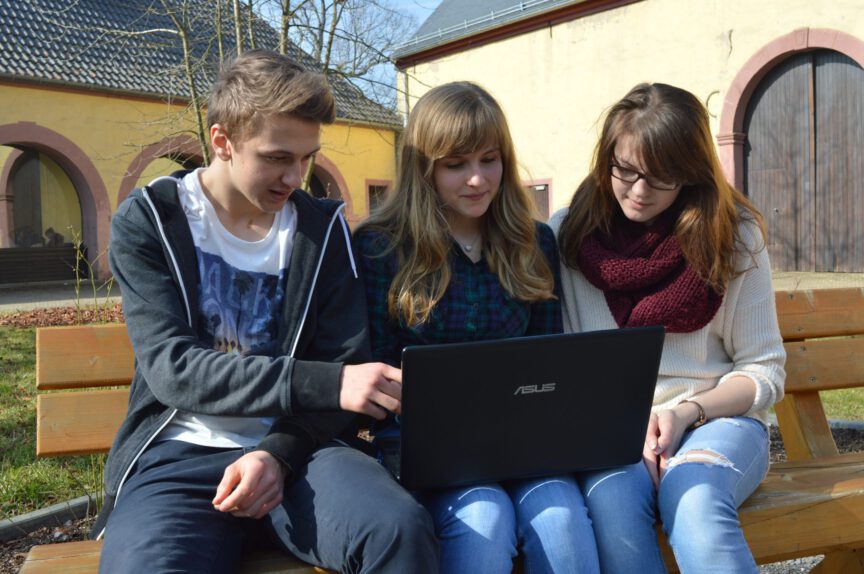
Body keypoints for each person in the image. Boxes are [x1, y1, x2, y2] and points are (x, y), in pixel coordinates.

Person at [96, 50, 437, 574]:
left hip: (303, 453)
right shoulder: (152, 220)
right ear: (222, 141)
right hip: (180, 456)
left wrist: (276, 453)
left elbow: (343, 360)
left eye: (307, 158)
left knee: (398, 529)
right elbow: (173, 368)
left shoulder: (321, 231)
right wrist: (326, 383)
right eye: (277, 157)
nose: (294, 177)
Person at [353, 81, 600, 574]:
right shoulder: (381, 247)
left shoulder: (532, 242)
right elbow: (374, 377)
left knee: (561, 519)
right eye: (455, 165)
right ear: (424, 169)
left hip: (524, 443)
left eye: (489, 160)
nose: (476, 180)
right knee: (484, 517)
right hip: (428, 451)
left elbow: (547, 359)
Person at [550, 82, 786, 573]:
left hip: (717, 422)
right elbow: (564, 367)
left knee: (694, 500)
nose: (639, 191)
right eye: (626, 169)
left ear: (691, 172)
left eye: (661, 178)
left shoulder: (732, 236)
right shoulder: (568, 234)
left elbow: (763, 370)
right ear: (606, 158)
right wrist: (625, 426)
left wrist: (686, 413)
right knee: (612, 505)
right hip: (611, 431)